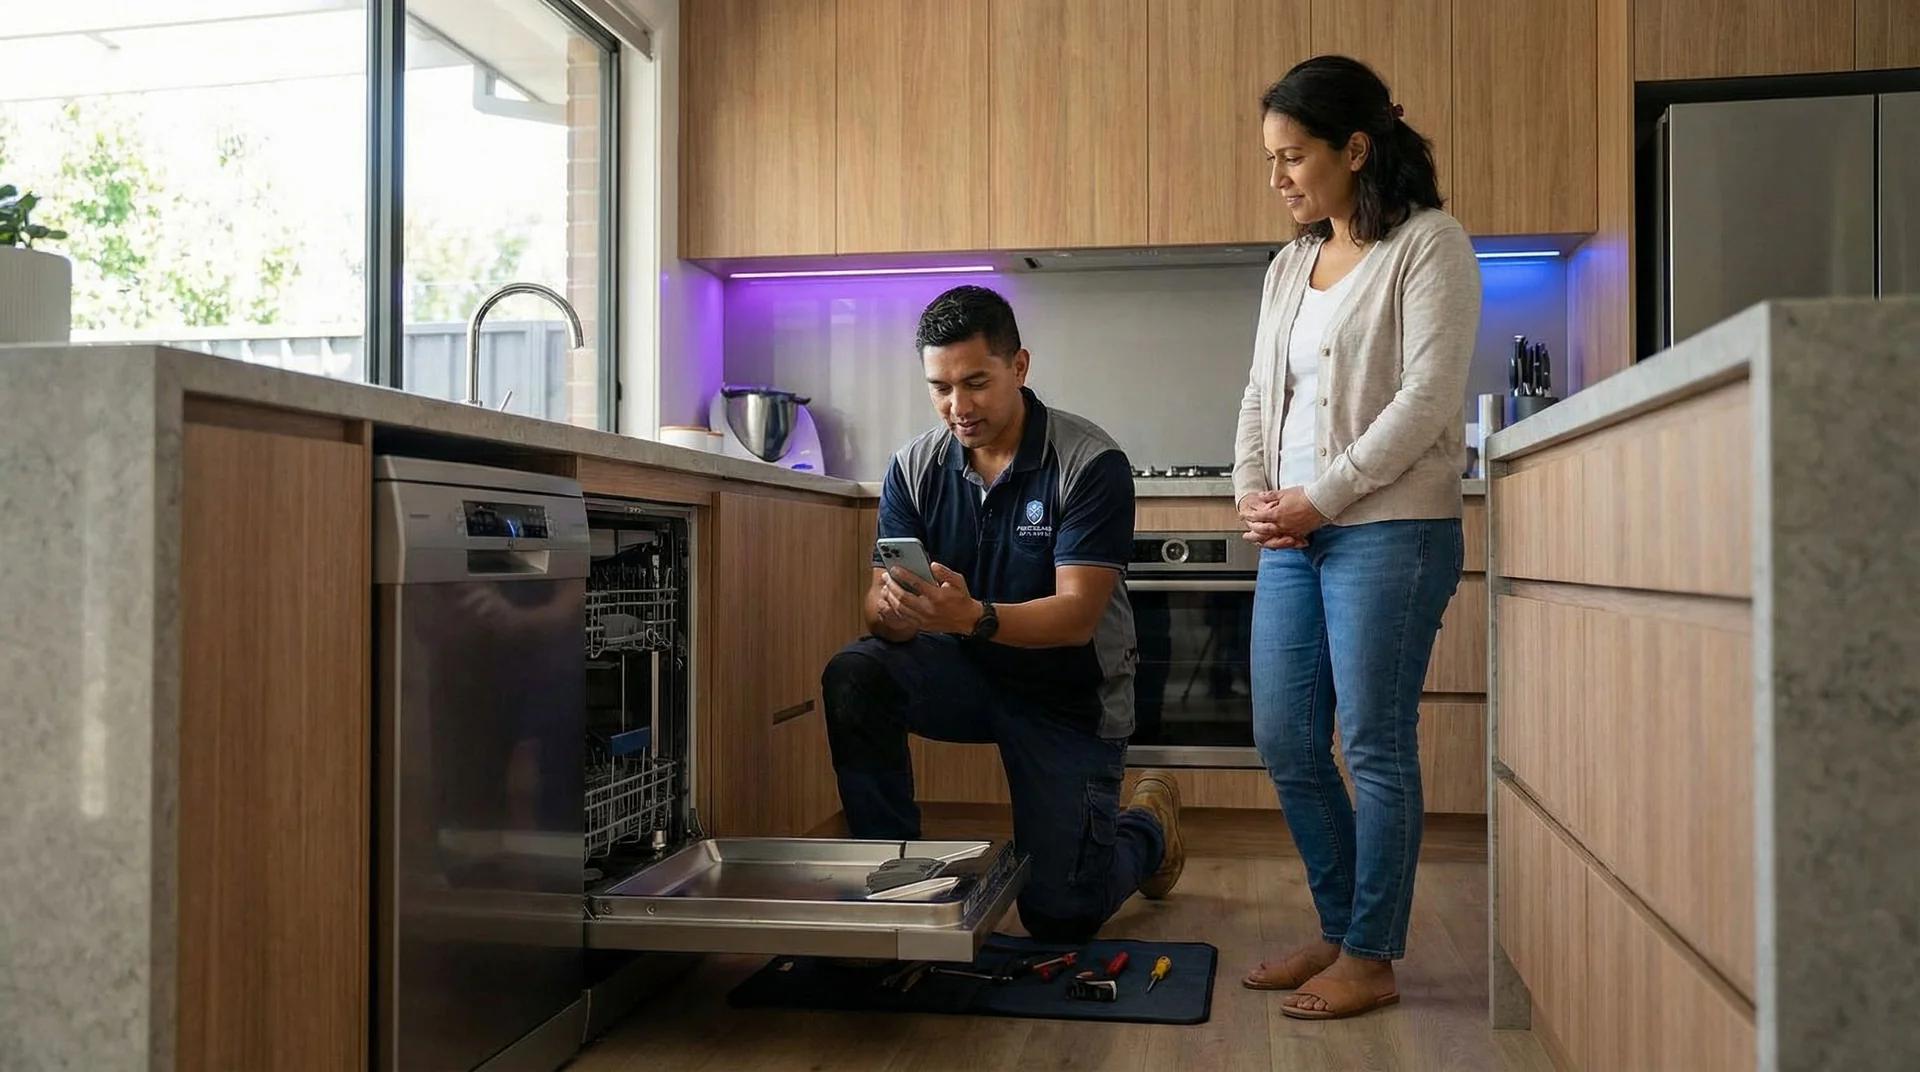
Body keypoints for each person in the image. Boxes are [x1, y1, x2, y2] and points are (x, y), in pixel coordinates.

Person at [820, 284, 1185, 943]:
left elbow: (1077, 616)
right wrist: (895, 611)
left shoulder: (1089, 462)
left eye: (976, 383)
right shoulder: (913, 466)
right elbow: (876, 606)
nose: (958, 408)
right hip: (966, 674)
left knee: (1060, 917)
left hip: (1068, 694)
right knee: (857, 671)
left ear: (1019, 366)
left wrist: (969, 617)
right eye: (940, 387)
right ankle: (895, 882)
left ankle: (1147, 829)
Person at [1231, 55, 1479, 1019]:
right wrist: (1255, 492)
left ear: (1356, 149)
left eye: (1293, 157)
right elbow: (1262, 394)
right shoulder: (1288, 265)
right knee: (1285, 738)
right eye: (1273, 159)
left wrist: (1320, 499)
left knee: (1373, 742)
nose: (1278, 177)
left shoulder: (1430, 245)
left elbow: (1427, 399)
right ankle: (1340, 930)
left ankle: (1372, 955)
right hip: (1294, 532)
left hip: (1390, 527)